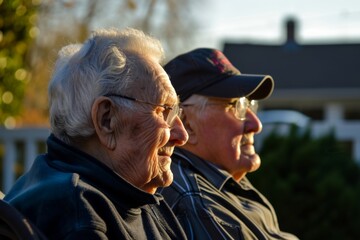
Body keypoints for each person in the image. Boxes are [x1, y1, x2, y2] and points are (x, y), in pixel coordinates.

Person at [4, 28, 189, 239]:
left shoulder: (133, 198)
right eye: (163, 111)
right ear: (107, 119)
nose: (181, 136)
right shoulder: (78, 216)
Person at [159, 48, 299, 239]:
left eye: (250, 105)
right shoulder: (196, 203)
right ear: (186, 124)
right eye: (237, 106)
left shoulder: (220, 183)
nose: (256, 124)